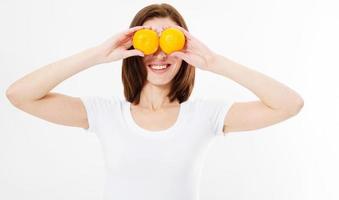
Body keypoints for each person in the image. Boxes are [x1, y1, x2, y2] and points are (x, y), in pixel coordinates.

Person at [6, 3, 304, 200]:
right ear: (134, 48)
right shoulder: (106, 114)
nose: (159, 54)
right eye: (150, 40)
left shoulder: (206, 116)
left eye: (169, 40)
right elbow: (19, 95)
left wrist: (214, 62)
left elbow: (289, 104)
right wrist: (98, 54)